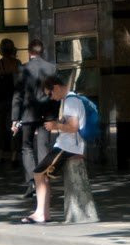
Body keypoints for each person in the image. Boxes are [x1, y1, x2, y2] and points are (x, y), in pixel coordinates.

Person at [20, 76, 92, 224]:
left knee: (39, 173)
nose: (51, 98)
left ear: (56, 87)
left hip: (68, 147)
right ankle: (42, 212)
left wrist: (56, 126)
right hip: (68, 145)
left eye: (50, 94)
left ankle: (41, 213)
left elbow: (73, 127)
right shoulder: (70, 99)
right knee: (41, 174)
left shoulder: (70, 101)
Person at [11, 38, 58, 200]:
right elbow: (55, 94)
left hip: (28, 115)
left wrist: (14, 119)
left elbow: (18, 95)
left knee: (26, 147)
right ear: (42, 51)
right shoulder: (52, 68)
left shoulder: (23, 69)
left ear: (29, 52)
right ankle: (43, 181)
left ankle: (32, 181)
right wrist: (54, 117)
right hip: (46, 114)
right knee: (44, 147)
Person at [0, 38, 22, 163]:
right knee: (14, 126)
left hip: (0, 100)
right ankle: (14, 155)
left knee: (0, 127)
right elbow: (20, 81)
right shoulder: (17, 63)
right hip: (14, 99)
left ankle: (0, 154)